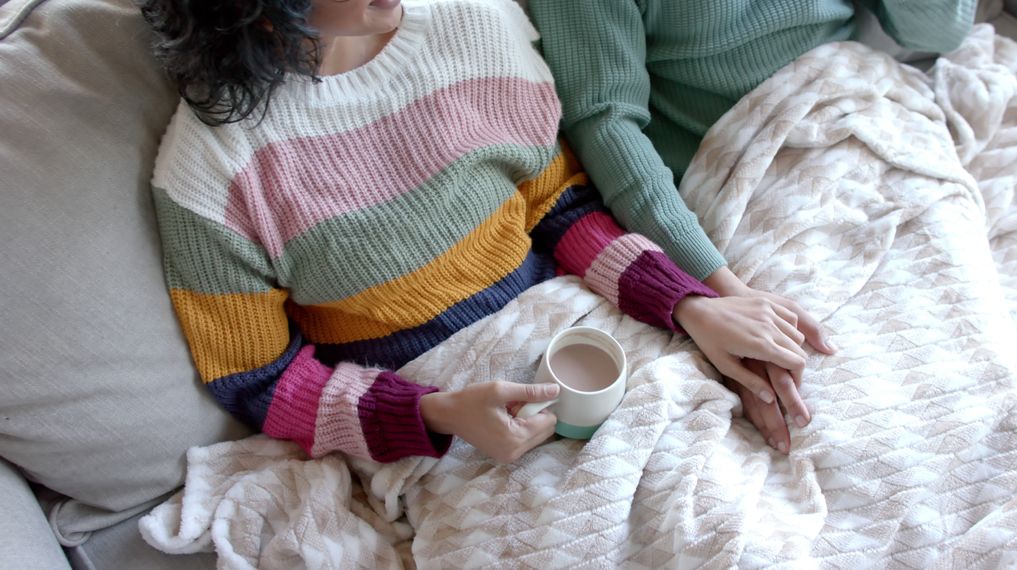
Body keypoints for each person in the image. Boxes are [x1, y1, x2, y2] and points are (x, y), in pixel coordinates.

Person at [140, 0, 815, 465]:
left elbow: (560, 210)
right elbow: (262, 384)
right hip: (428, 426)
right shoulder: (211, 174)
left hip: (580, 337)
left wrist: (692, 304)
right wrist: (436, 415)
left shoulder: (476, 25)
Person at [528, 0, 976, 448]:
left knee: (961, 345)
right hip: (739, 163)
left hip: (861, 105)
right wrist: (722, 288)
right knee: (817, 392)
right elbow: (606, 122)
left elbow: (941, 33)